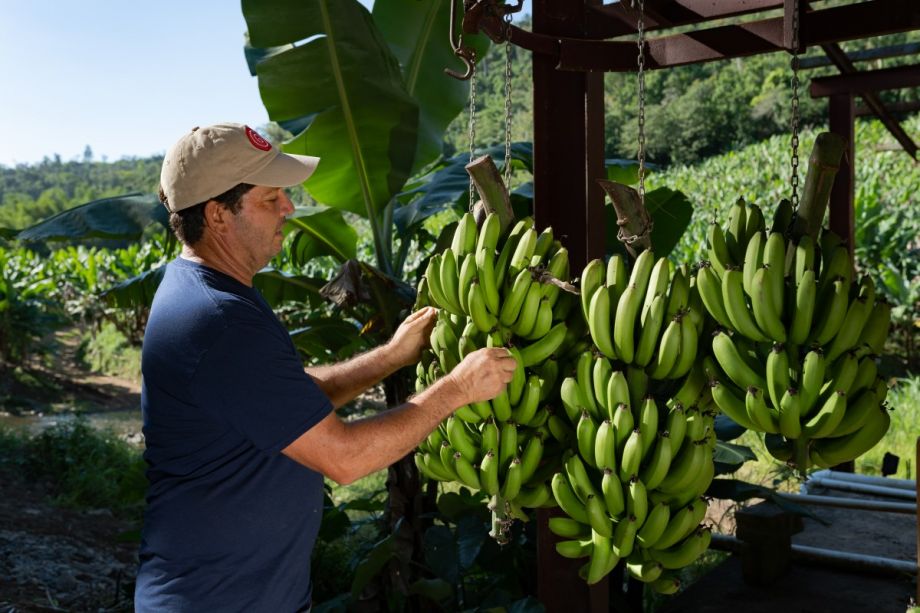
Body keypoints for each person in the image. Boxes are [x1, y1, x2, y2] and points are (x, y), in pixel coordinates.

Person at [134, 123, 517, 612]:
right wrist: (456, 389)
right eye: (271, 199)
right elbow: (345, 459)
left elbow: (284, 399)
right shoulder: (218, 320)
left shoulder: (208, 291)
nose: (289, 209)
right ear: (218, 215)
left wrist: (390, 357)